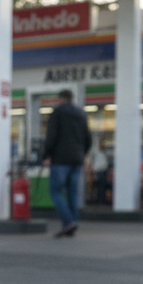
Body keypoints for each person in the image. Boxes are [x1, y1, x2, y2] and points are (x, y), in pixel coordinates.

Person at [41, 89, 92, 237]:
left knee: (56, 192)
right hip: (77, 160)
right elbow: (88, 139)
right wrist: (82, 153)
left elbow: (51, 136)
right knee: (72, 193)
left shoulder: (57, 113)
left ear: (60, 99)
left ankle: (68, 221)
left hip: (60, 160)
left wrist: (46, 155)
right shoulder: (81, 114)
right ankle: (72, 223)